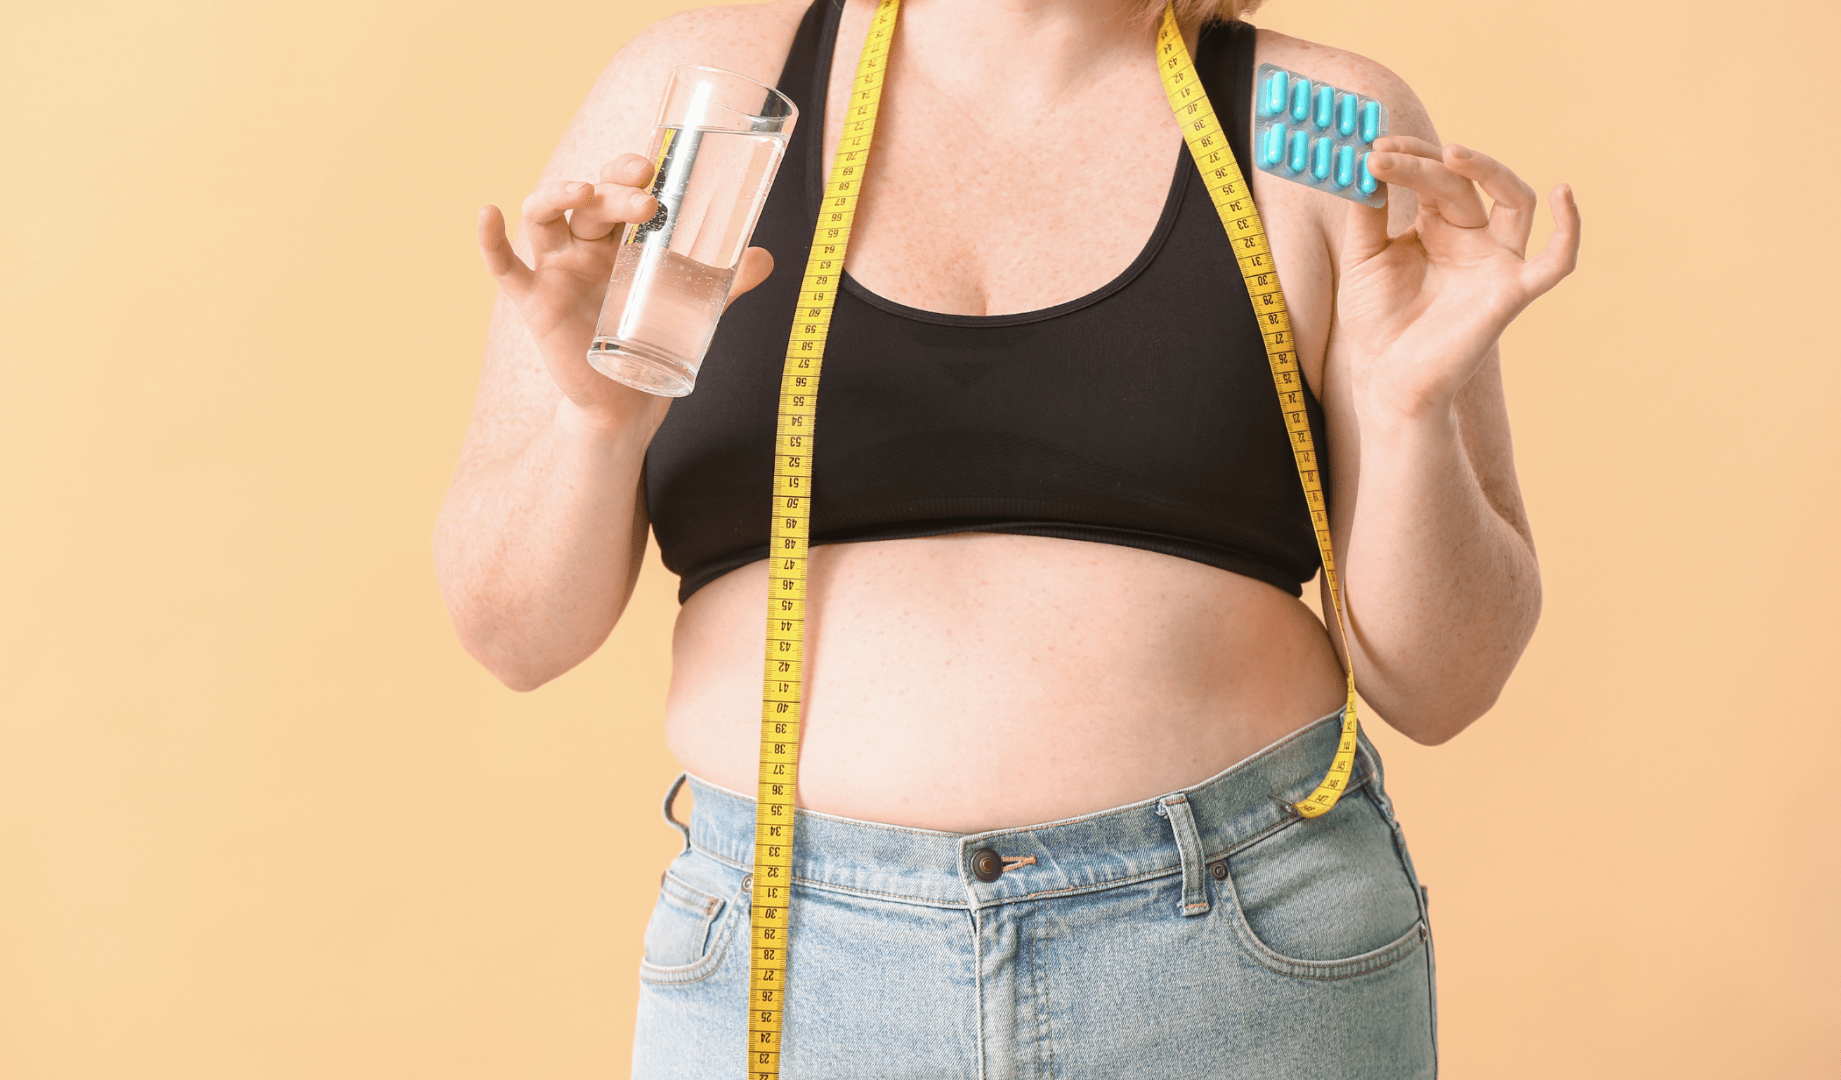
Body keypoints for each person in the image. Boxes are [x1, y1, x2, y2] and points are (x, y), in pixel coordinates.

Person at [434, 0, 1579, 1074]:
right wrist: (598, 425)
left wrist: (1404, 411)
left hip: (1238, 947)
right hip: (794, 955)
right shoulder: (707, 93)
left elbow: (1445, 683)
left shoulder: (1313, 128)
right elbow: (511, 635)